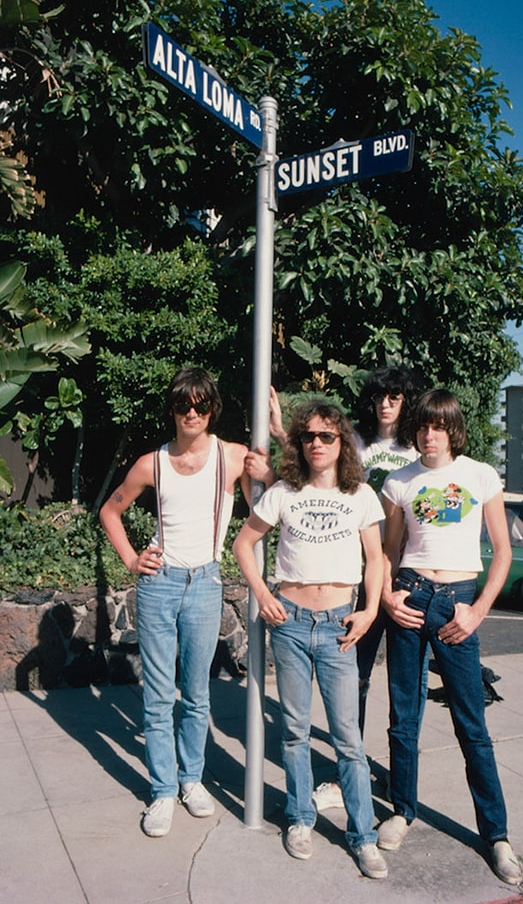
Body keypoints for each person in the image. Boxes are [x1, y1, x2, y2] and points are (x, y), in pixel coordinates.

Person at [100, 366, 264, 838]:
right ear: (171, 410)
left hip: (205, 582)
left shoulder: (232, 457)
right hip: (159, 584)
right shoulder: (151, 463)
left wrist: (269, 464)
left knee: (196, 694)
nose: (192, 413)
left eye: (200, 405)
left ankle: (191, 779)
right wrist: (132, 559)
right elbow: (110, 510)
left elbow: (265, 510)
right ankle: (163, 790)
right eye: (182, 405)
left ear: (213, 409)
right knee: (157, 697)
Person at [233, 400, 389, 880]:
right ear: (299, 444)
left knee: (348, 740)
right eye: (308, 437)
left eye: (326, 436)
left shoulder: (360, 494)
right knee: (295, 731)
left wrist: (370, 611)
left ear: (342, 443)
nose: (317, 444)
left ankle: (363, 836)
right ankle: (300, 818)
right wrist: (263, 594)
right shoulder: (284, 492)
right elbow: (243, 543)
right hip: (292, 624)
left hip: (341, 626)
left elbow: (377, 559)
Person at [377, 388, 522, 885]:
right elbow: (388, 551)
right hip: (411, 599)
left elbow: (502, 551)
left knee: (471, 724)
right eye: (422, 426)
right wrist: (387, 597)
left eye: (438, 426)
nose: (429, 435)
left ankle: (496, 835)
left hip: (458, 603)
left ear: (453, 429)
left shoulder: (480, 475)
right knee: (404, 717)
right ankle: (402, 811)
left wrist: (478, 611)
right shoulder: (399, 481)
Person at [311, 367, 426, 813]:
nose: (386, 404)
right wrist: (280, 431)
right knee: (352, 679)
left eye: (395, 396)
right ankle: (347, 776)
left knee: (405, 688)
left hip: (407, 578)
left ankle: (402, 780)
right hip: (359, 576)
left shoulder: (419, 447)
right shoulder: (357, 444)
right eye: (379, 396)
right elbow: (316, 466)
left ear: (406, 400)